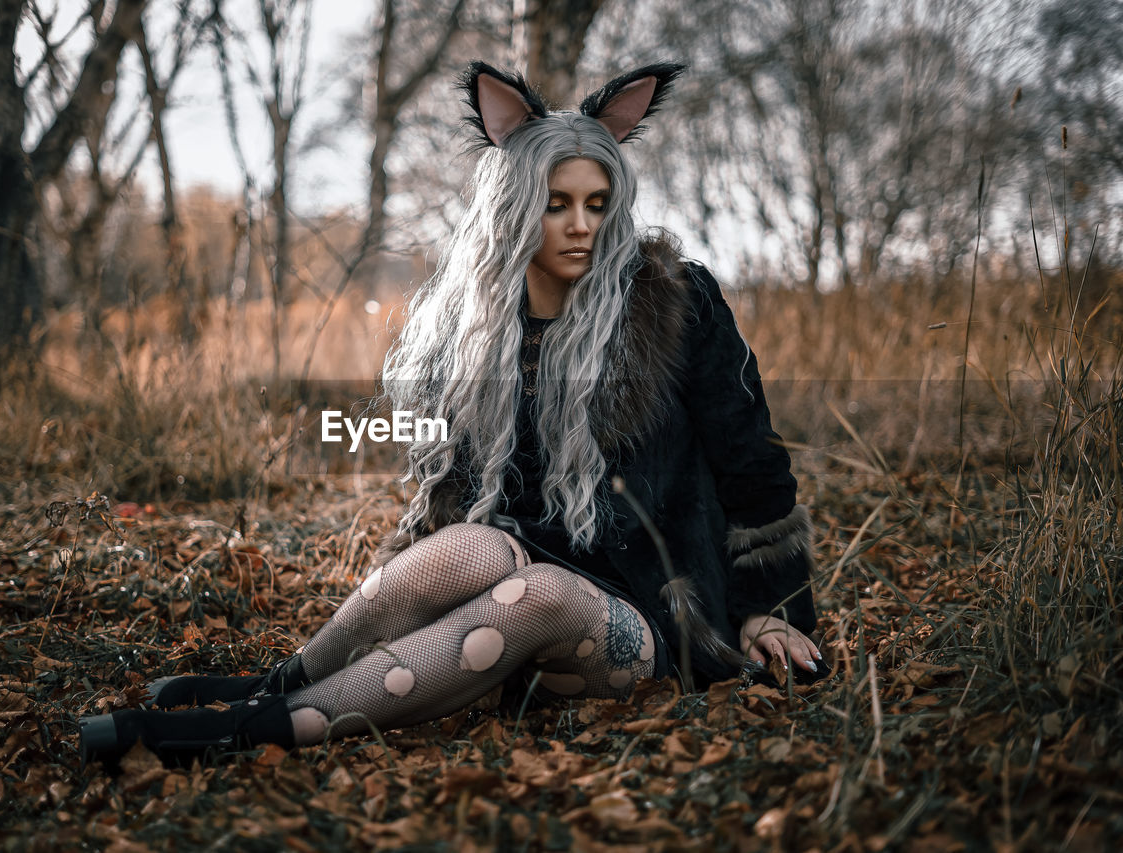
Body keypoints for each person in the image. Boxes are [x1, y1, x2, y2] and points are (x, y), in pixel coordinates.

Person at [78, 60, 827, 769]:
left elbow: (753, 461)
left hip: (652, 622)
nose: (580, 225)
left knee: (541, 593)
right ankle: (275, 683)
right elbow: (449, 496)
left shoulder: (676, 303)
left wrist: (772, 606)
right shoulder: (477, 328)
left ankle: (237, 732)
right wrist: (410, 599)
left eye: (597, 204)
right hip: (509, 595)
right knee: (471, 547)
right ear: (512, 207)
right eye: (555, 203)